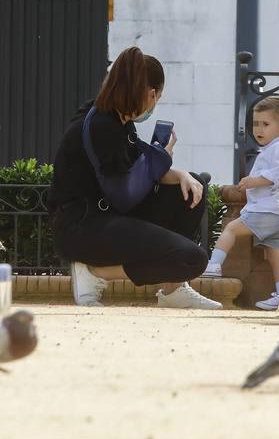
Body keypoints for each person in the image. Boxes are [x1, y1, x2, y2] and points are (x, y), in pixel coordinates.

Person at [48, 46, 222, 309]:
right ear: (151, 94)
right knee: (192, 259)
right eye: (158, 97)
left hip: (106, 216)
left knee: (189, 190)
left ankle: (174, 289)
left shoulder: (115, 118)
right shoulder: (102, 126)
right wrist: (162, 158)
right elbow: (125, 195)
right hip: (83, 228)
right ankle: (93, 273)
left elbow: (133, 171)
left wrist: (182, 176)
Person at [201, 95, 279, 311]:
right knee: (274, 256)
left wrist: (254, 181)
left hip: (269, 210)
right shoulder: (275, 147)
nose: (259, 130)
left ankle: (213, 265)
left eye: (265, 124)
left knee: (231, 229)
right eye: (256, 124)